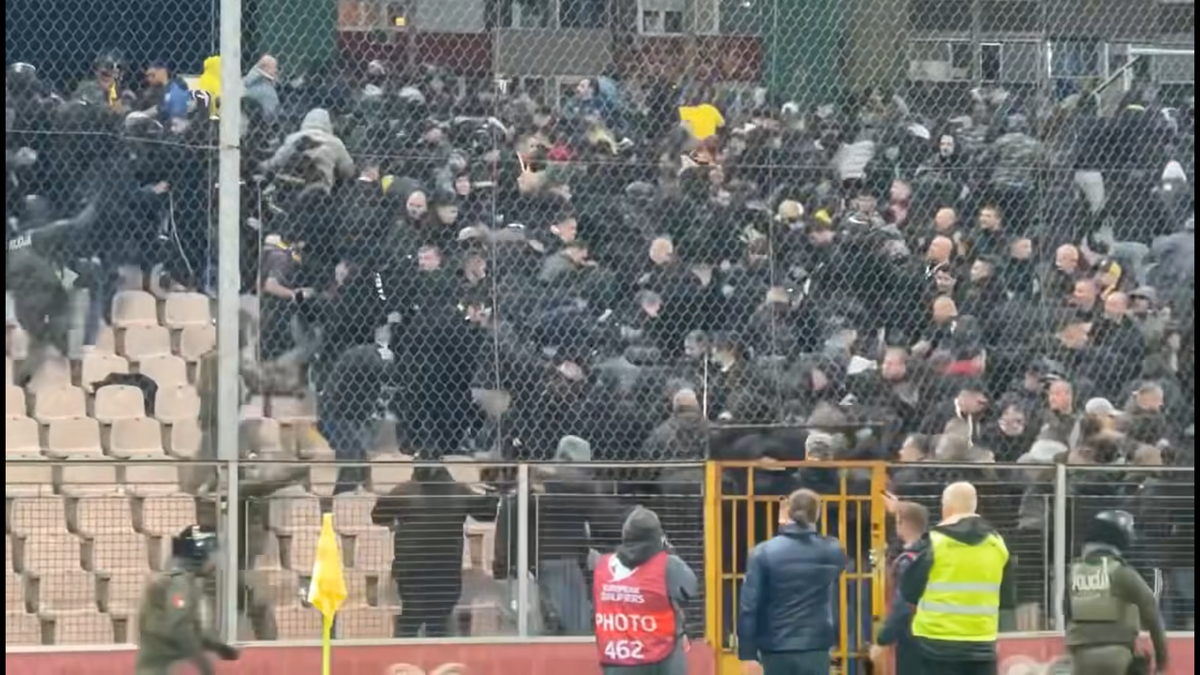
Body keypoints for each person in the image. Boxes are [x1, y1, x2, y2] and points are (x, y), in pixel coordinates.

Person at [901, 481, 1017, 675]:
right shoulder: (997, 544)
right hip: (981, 645)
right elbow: (1006, 599)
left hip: (935, 646)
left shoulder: (934, 543)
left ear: (947, 508)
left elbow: (908, 592)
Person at [737, 489, 848, 675]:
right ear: (816, 515)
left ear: (787, 512)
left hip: (775, 647)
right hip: (815, 645)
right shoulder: (832, 550)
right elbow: (839, 567)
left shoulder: (762, 552)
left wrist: (747, 654)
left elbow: (749, 607)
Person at [593, 506, 697, 675]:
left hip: (617, 660)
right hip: (661, 660)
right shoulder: (668, 564)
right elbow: (689, 590)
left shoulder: (602, 565)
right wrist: (668, 549)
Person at [1065, 510, 1169, 675]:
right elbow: (1152, 613)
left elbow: (1068, 613)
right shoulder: (1121, 572)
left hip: (1080, 658)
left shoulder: (1073, 573)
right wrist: (1162, 662)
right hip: (1118, 656)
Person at [134, 525, 241, 675]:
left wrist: (218, 647)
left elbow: (190, 631)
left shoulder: (182, 582)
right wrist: (204, 665)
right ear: (201, 553)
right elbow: (178, 629)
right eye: (213, 554)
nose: (215, 562)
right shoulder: (180, 583)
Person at [871, 500, 929, 675]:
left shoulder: (907, 562)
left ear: (902, 524)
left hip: (910, 635)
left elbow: (902, 605)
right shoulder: (932, 554)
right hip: (932, 632)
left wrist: (883, 639)